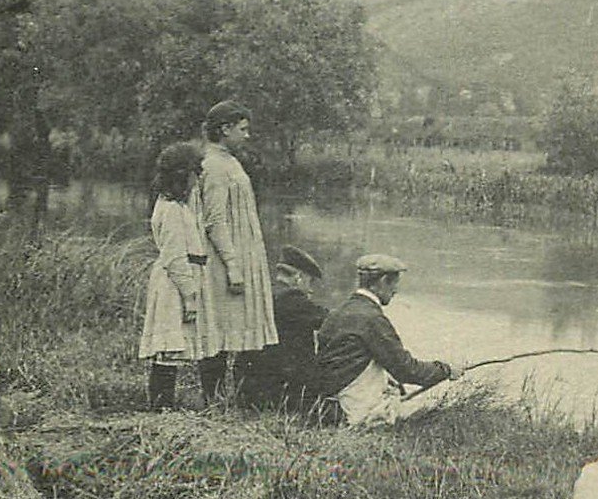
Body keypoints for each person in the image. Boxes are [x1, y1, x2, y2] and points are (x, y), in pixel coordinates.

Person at [313, 254, 462, 426]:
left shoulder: (339, 312)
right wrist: (447, 370)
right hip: (353, 410)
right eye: (394, 283)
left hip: (330, 405)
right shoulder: (372, 318)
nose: (395, 290)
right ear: (383, 281)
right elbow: (407, 370)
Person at [194, 101, 277, 405]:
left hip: (240, 254)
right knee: (220, 328)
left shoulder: (228, 161)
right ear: (224, 129)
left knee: (238, 327)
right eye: (242, 129)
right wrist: (232, 265)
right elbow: (214, 221)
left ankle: (234, 398)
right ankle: (212, 399)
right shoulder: (214, 165)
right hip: (223, 260)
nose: (248, 135)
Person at [138, 142, 206, 410]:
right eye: (194, 173)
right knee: (168, 346)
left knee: (172, 346)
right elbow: (175, 257)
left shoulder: (176, 207)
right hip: (173, 283)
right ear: (182, 175)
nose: (196, 179)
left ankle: (163, 404)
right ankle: (161, 406)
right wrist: (190, 296)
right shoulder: (172, 211)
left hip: (178, 278)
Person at [235, 245, 330, 413]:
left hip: (250, 390)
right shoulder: (292, 299)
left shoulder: (265, 294)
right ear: (299, 277)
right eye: (310, 282)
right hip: (280, 396)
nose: (311, 289)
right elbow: (331, 321)